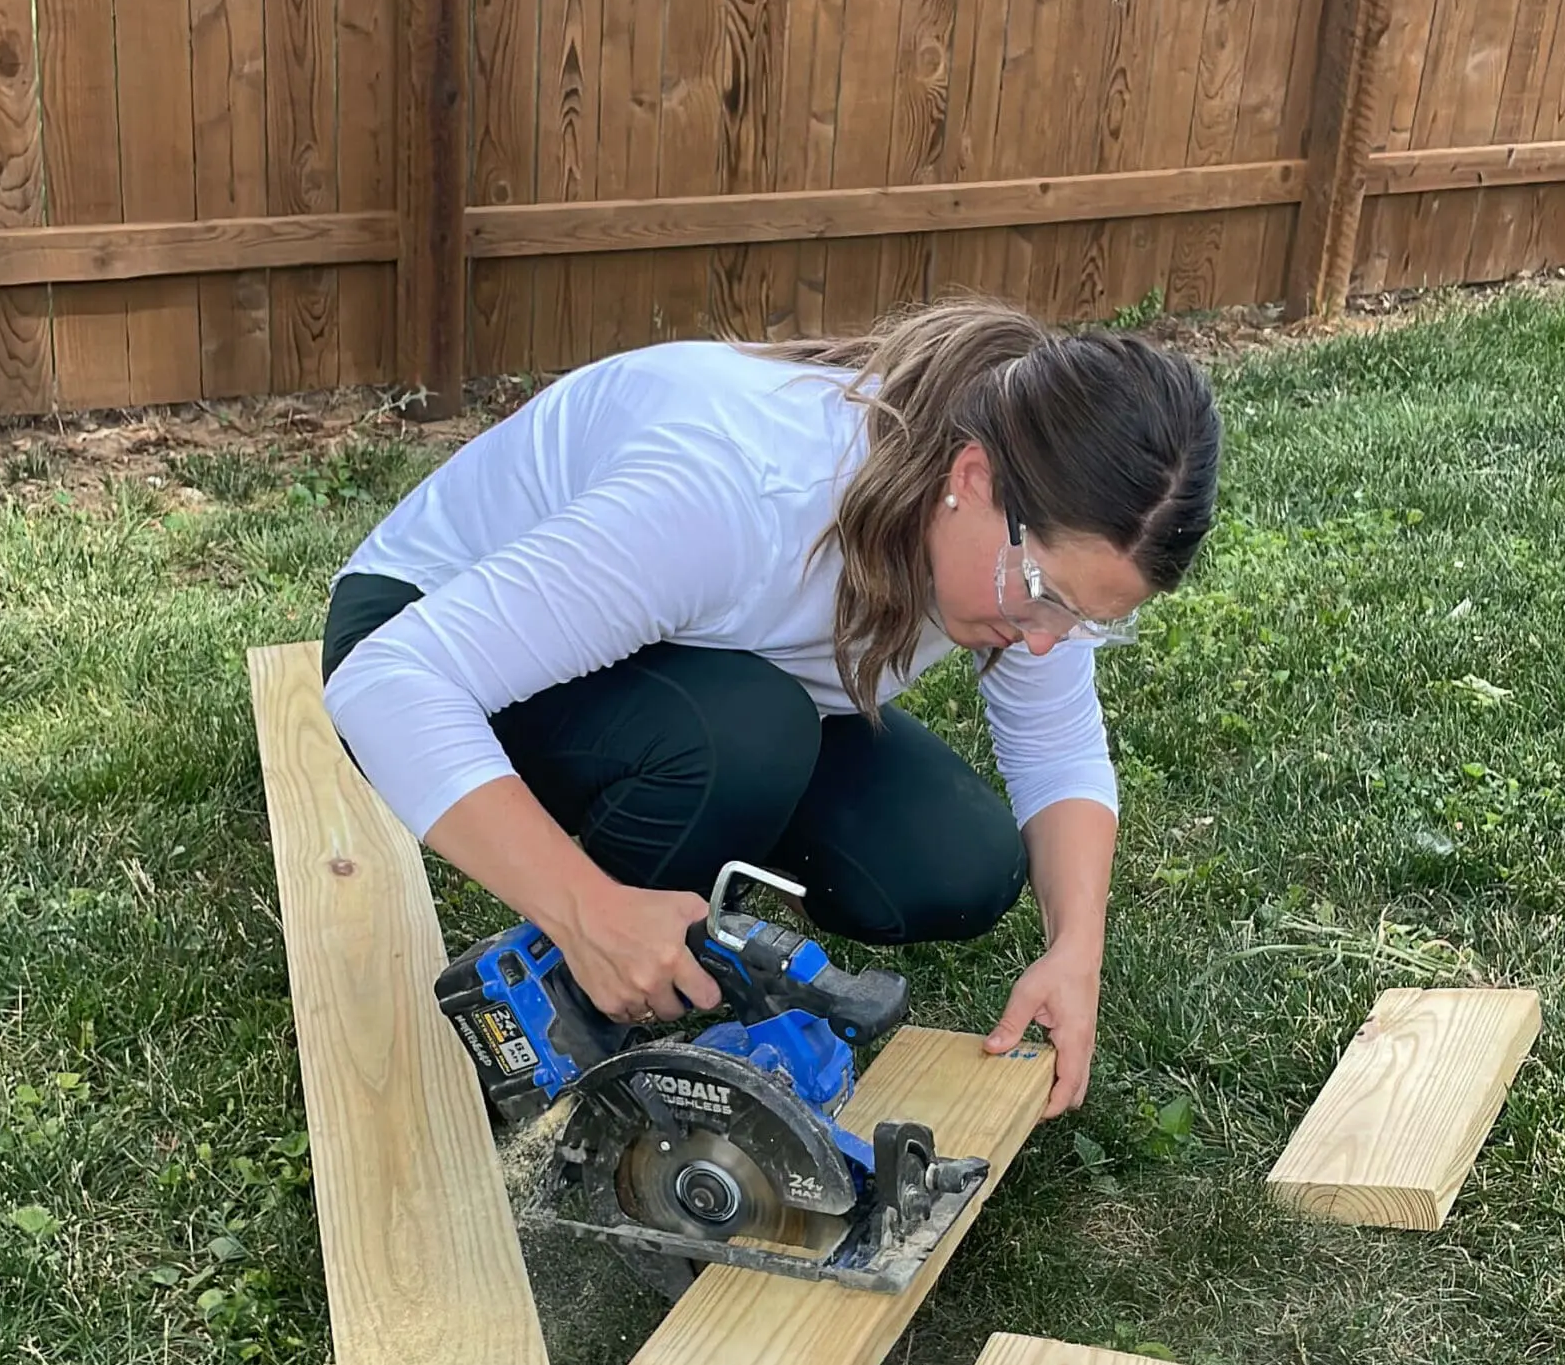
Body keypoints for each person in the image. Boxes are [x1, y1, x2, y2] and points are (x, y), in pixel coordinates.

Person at [321, 297, 1219, 1120]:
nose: (1038, 640)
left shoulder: (1018, 558)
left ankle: (660, 889)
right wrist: (586, 905)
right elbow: (387, 682)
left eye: (1086, 619)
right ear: (973, 479)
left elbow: (1057, 748)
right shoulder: (734, 495)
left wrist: (1076, 950)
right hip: (426, 620)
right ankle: (577, 981)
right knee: (743, 737)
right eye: (1041, 595)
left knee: (958, 862)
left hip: (707, 663)